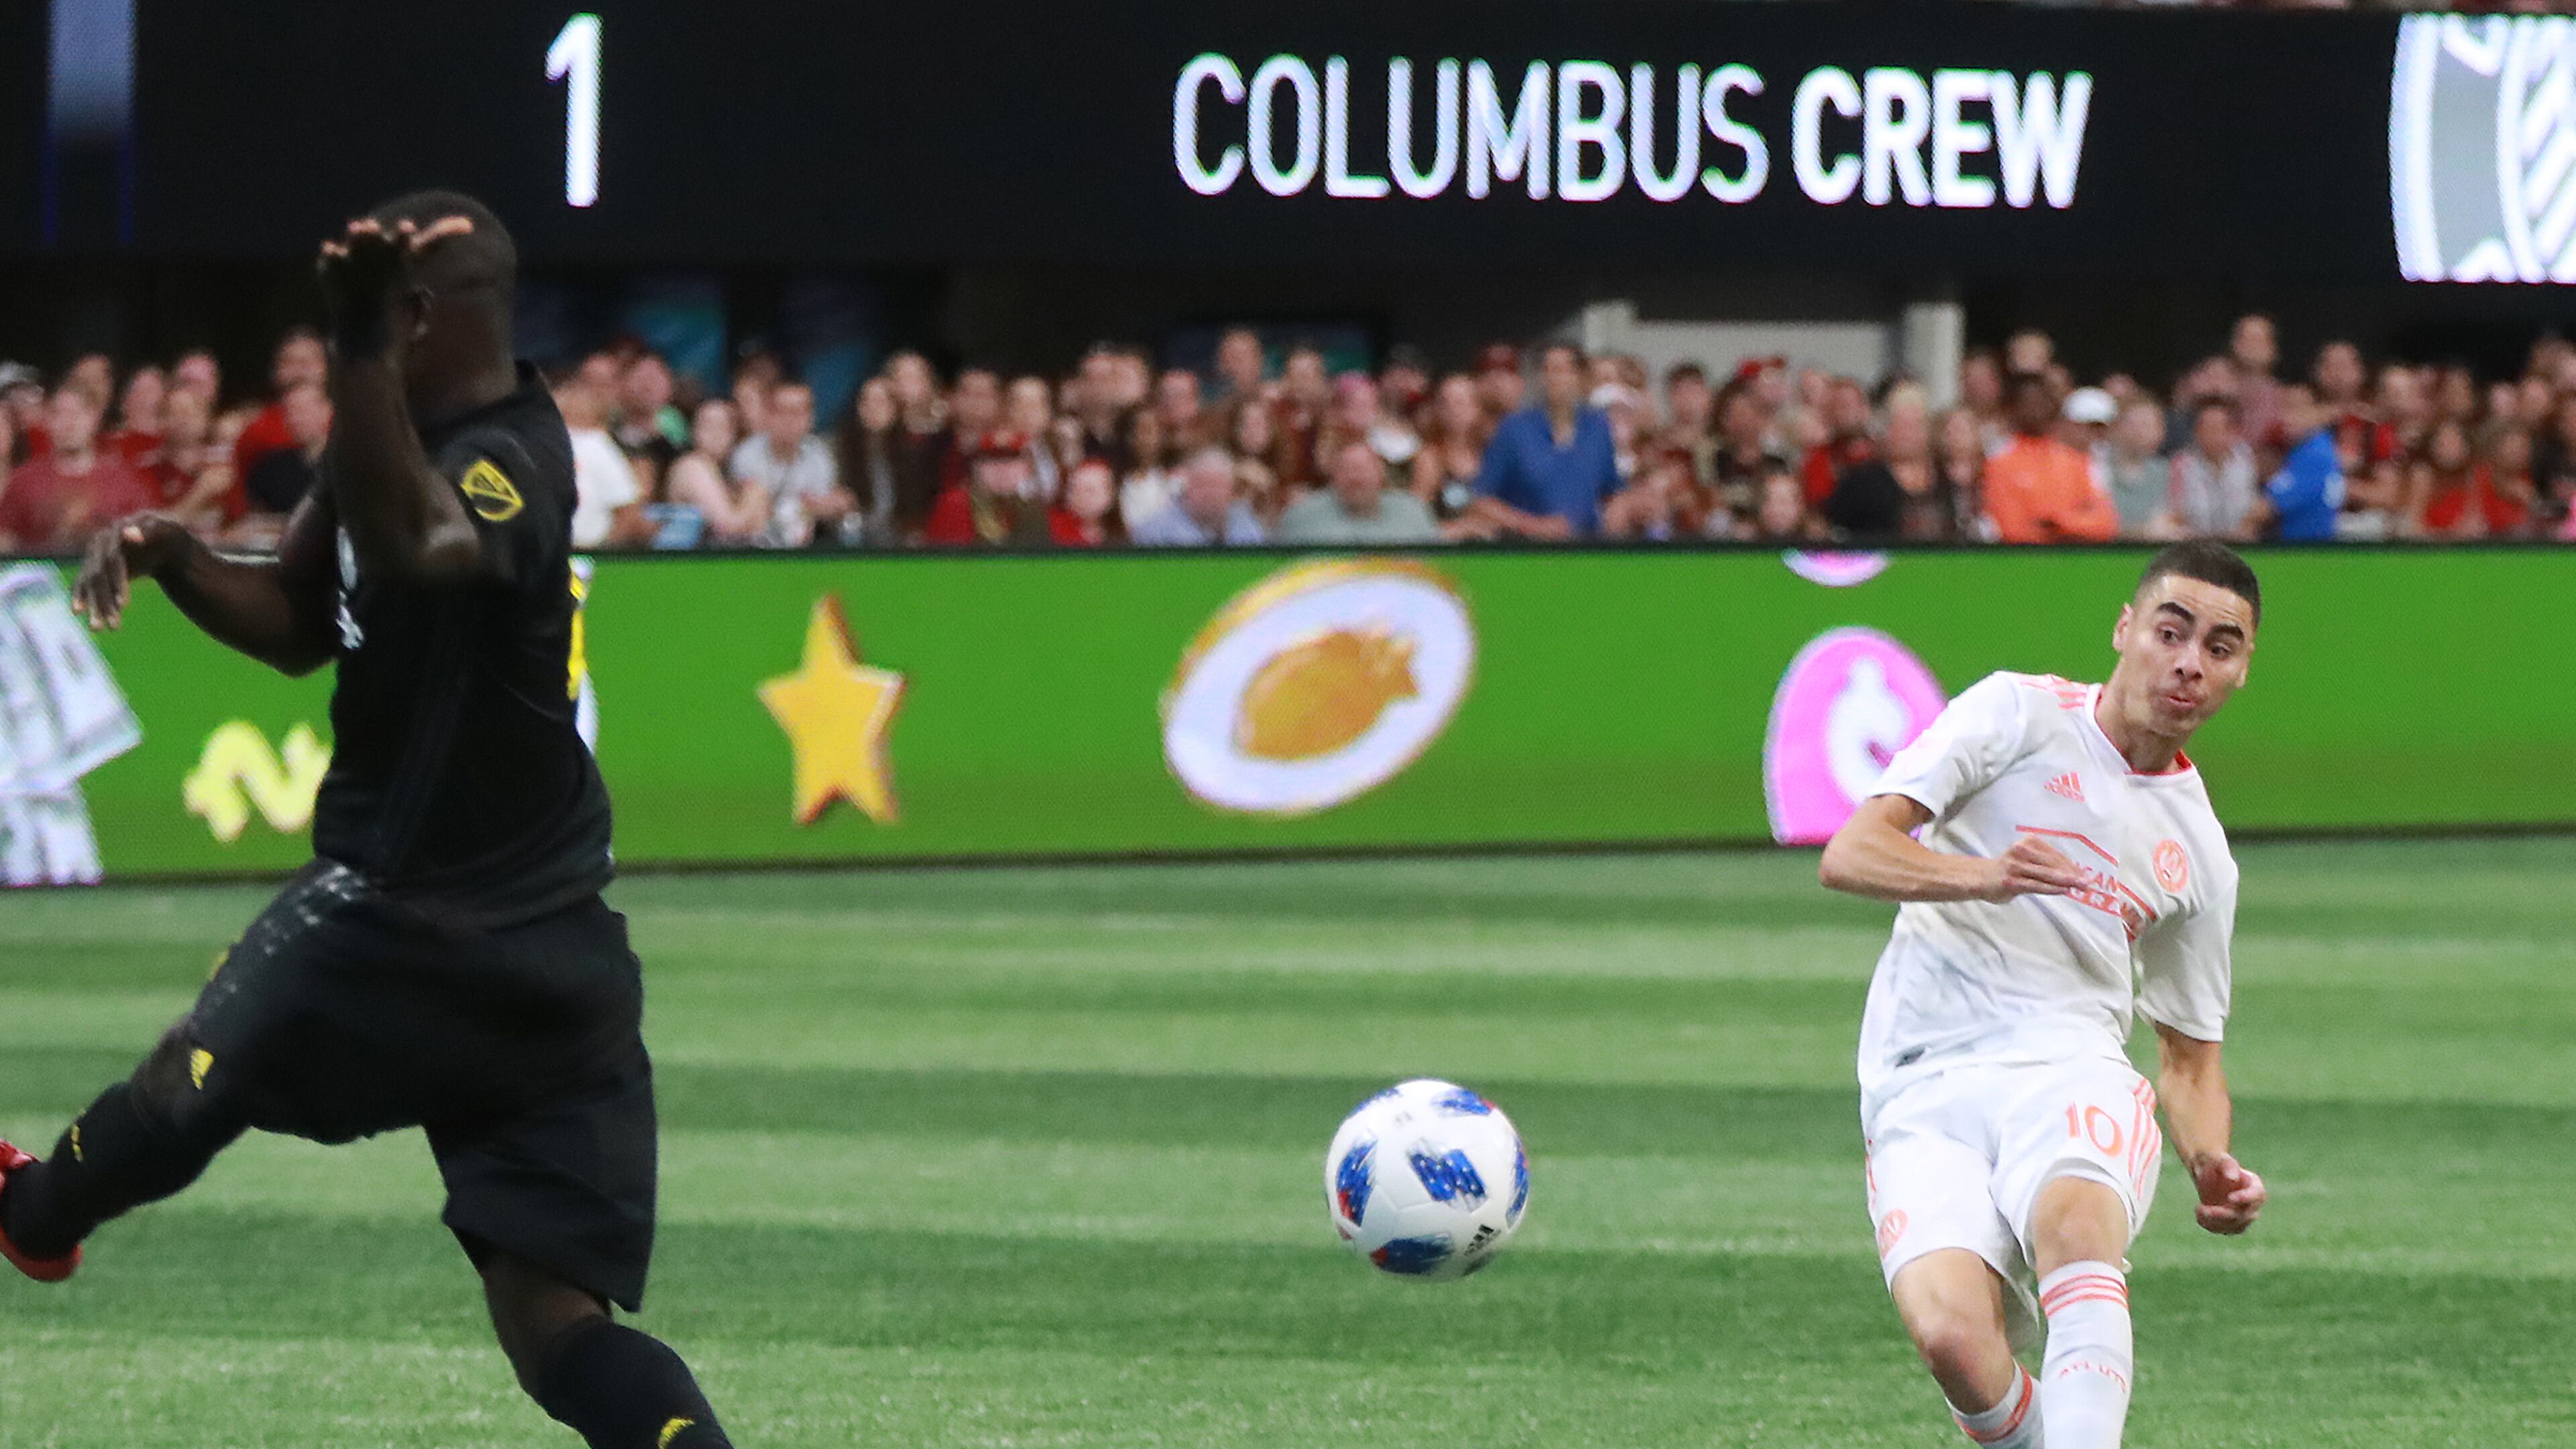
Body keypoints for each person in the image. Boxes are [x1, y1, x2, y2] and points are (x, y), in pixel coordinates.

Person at [7, 191, 741, 1449]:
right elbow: (304, 618)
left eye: (367, 314)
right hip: (553, 954)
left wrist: (350, 358)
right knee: (552, 1323)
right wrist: (179, 554)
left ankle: (34, 1219)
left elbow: (423, 543)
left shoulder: (511, 451)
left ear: (413, 315)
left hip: (409, 913)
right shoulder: (392, 432)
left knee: (195, 1080)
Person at [1820, 541, 2269, 1449]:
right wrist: (1985, 877)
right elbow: (1851, 853)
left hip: (2071, 1070)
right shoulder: (2014, 714)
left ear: (2239, 672)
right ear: (2126, 629)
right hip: (1922, 1078)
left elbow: (2189, 1053)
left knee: (2075, 1229)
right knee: (1953, 1339)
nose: (2189, 661)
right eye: (2171, 631)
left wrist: (2211, 1157)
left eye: (2219, 647)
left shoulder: (2202, 856)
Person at [1470, 343, 1623, 540]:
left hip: (1586, 549)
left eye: (1560, 371)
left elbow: (1613, 491)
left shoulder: (1598, 429)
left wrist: (1616, 521)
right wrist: (1531, 526)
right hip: (1530, 551)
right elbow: (1481, 500)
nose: (1551, 378)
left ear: (1580, 377)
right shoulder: (1515, 429)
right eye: (1546, 370)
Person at [0, 386, 159, 551]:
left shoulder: (125, 482)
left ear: (94, 418)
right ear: (48, 421)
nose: (69, 424)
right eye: (60, 415)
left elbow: (148, 539)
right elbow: (5, 539)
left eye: (77, 414)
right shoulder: (25, 481)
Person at [1982, 372, 2119, 544]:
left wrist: (2058, 522)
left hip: (2074, 559)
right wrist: (2071, 522)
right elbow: (2012, 530)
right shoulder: (1999, 462)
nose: (2035, 408)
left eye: (2041, 401)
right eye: (2028, 402)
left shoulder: (2077, 461)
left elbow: (2105, 523)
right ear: (2012, 408)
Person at [732, 380, 852, 547]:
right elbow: (750, 510)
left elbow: (829, 504)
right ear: (768, 415)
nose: (790, 420)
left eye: (798, 412)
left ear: (811, 418)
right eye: (782, 411)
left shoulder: (819, 454)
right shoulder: (747, 454)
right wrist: (804, 505)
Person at [1274, 441, 1441, 546]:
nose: (1355, 478)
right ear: (1334, 477)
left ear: (1380, 477)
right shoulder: (1302, 517)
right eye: (1347, 470)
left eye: (1362, 470)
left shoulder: (1413, 513)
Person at [555, 372, 651, 549]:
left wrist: (606, 550)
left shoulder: (596, 444)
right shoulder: (543, 443)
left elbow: (627, 508)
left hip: (586, 549)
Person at [662, 399, 770, 545]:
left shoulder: (725, 473)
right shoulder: (692, 466)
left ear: (735, 435)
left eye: (723, 427)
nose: (715, 434)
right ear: (693, 431)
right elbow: (727, 527)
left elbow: (757, 533)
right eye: (707, 425)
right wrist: (756, 496)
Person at [1132, 444, 1264, 546]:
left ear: (1231, 490)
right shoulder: (1155, 534)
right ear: (1188, 487)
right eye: (1202, 486)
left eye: (1217, 486)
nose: (1210, 494)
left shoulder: (1247, 525)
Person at [2165, 398, 2258, 541]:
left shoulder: (2246, 461)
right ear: (2196, 433)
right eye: (2206, 429)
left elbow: (2255, 509)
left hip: (2240, 543)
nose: (2213, 435)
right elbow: (2175, 513)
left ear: (2233, 432)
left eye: (2219, 429)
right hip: (2194, 544)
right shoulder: (2181, 464)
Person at [2262, 384, 2345, 543]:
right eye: (2284, 409)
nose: (2287, 417)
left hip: (2308, 552)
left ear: (2318, 413)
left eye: (2297, 409)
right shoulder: (2300, 450)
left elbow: (2265, 508)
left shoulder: (2316, 454)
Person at [240, 380, 335, 517]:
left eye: (302, 411)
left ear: (327, 410)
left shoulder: (348, 467)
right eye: (289, 412)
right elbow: (253, 516)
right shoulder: (271, 468)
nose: (294, 419)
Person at [2100, 397, 2171, 539]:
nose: (2140, 432)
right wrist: (2142, 531)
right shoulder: (2097, 467)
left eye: (2147, 425)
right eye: (2133, 424)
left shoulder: (2165, 471)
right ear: (2117, 427)